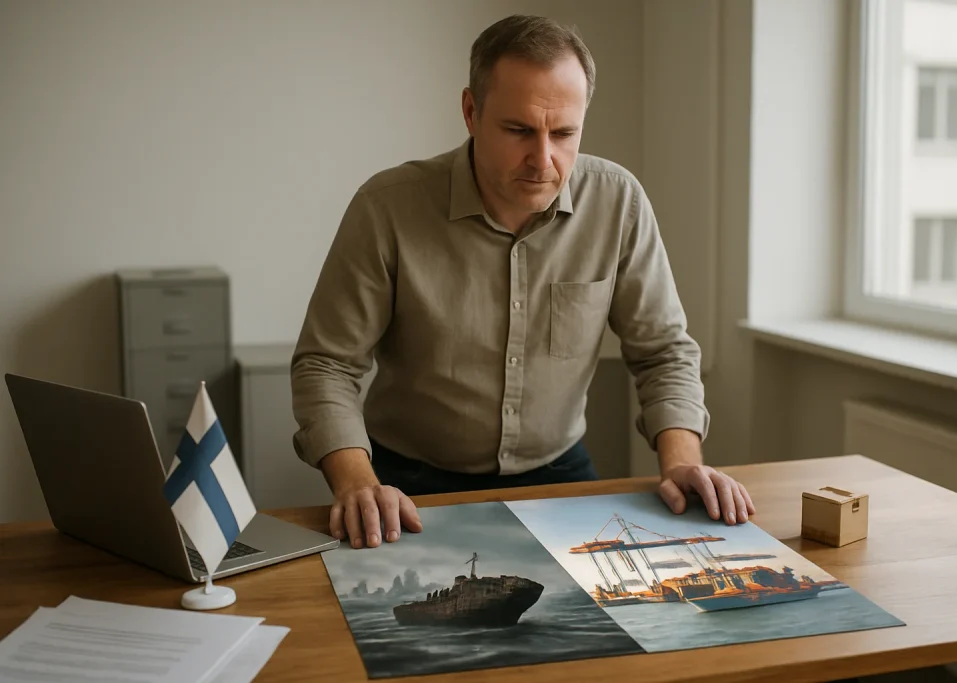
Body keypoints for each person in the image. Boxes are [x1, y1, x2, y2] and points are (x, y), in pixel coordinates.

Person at [290, 14, 755, 550]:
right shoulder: (387, 208)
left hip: (559, 471)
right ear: (471, 111)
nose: (543, 159)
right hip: (407, 482)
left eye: (564, 134)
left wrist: (681, 463)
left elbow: (664, 351)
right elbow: (327, 363)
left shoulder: (618, 202)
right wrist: (357, 483)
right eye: (518, 131)